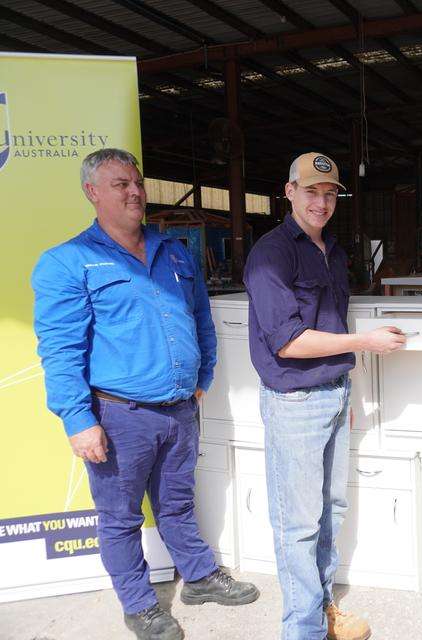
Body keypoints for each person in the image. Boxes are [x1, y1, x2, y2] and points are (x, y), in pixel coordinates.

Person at [31, 149, 259, 640]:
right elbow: (61, 348)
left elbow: (200, 318)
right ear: (92, 192)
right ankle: (139, 605)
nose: (135, 192)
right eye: (120, 184)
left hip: (179, 408)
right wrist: (77, 419)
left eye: (137, 182)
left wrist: (204, 376)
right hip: (118, 416)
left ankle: (197, 578)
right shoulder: (68, 262)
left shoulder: (174, 251)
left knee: (177, 503)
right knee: (119, 518)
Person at [243, 152, 406, 640]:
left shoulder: (330, 249)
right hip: (294, 403)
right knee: (298, 525)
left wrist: (341, 383)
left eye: (330, 193)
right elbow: (289, 342)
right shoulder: (271, 254)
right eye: (311, 191)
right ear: (288, 191)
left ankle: (323, 608)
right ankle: (302, 630)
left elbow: (328, 324)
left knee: (330, 511)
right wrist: (365, 343)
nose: (321, 202)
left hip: (333, 394)